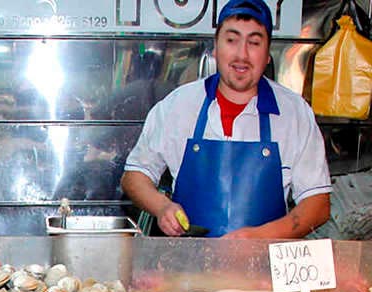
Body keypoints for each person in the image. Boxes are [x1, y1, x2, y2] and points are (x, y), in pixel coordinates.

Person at [121, 0, 331, 238]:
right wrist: (161, 206)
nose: (242, 54)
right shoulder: (177, 106)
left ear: (268, 54)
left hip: (265, 267)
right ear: (215, 47)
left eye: (254, 42)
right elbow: (134, 176)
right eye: (231, 40)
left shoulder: (295, 114)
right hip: (186, 267)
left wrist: (258, 238)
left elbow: (318, 204)